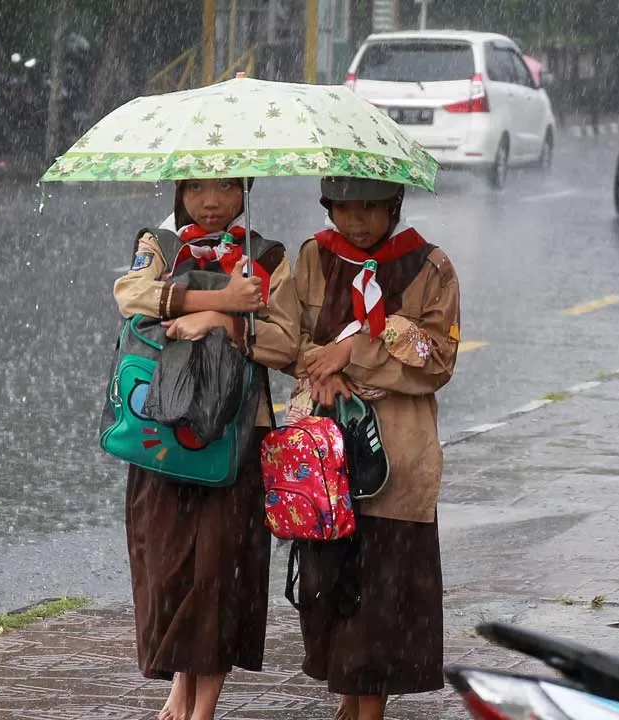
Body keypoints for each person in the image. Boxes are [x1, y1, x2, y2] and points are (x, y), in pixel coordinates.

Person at [112, 177, 299, 720]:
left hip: (237, 434)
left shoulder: (266, 257)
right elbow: (131, 297)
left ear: (246, 189)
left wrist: (226, 322)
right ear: (179, 190)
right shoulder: (160, 246)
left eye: (224, 187)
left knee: (220, 567)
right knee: (168, 564)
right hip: (164, 431)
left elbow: (287, 341)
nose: (210, 201)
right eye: (196, 187)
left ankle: (204, 707)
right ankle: (179, 684)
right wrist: (218, 298)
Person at [286, 176, 460, 720]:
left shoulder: (431, 267)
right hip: (326, 453)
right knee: (330, 579)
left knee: (385, 586)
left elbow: (435, 361)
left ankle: (371, 704)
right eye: (344, 208)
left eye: (370, 208)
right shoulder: (314, 256)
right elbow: (286, 336)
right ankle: (350, 691)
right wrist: (321, 369)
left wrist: (355, 353)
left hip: (398, 455)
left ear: (394, 207)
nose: (357, 220)